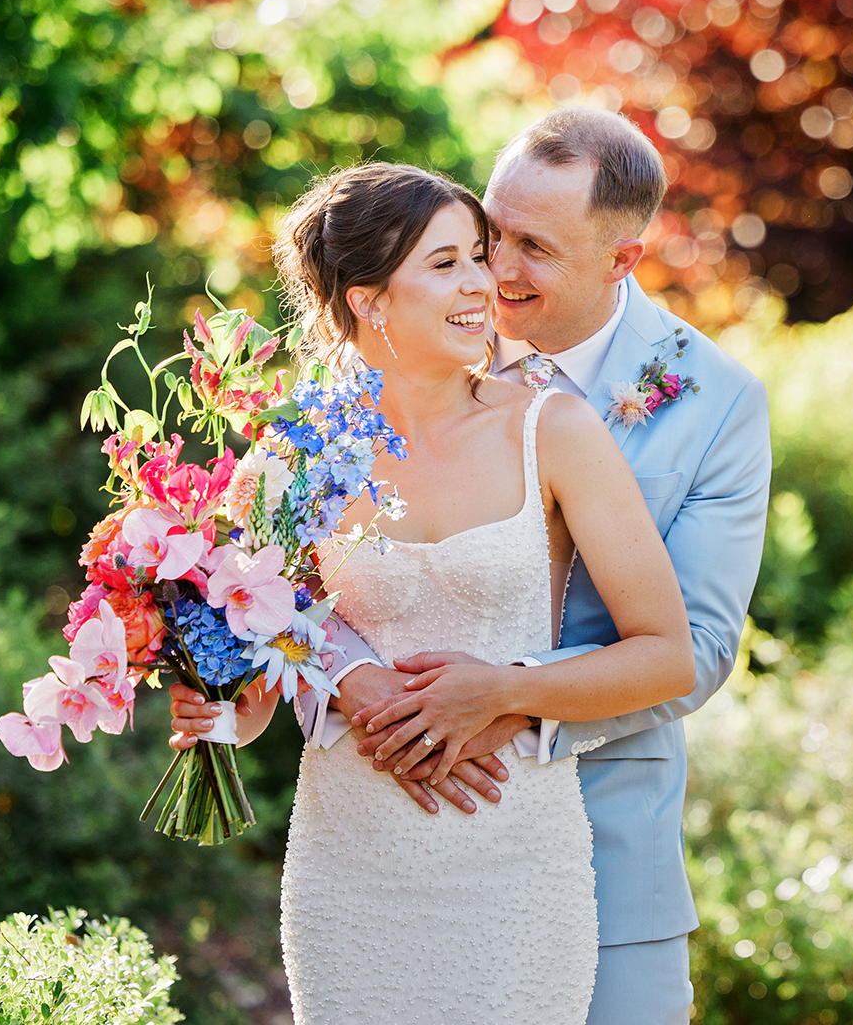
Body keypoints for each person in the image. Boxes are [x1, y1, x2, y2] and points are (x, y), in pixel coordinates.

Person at [168, 160, 697, 1024]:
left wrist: (506, 686)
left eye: (481, 258)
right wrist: (210, 709)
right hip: (353, 869)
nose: (484, 285)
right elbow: (257, 696)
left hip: (516, 865)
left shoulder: (551, 430)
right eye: (446, 263)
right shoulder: (286, 463)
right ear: (368, 299)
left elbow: (667, 656)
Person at [351, 108, 772, 1023]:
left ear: (621, 259)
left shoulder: (715, 403)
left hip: (605, 854)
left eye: (533, 247)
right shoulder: (421, 340)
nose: (495, 270)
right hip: (403, 840)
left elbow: (693, 650)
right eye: (491, 229)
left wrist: (505, 693)